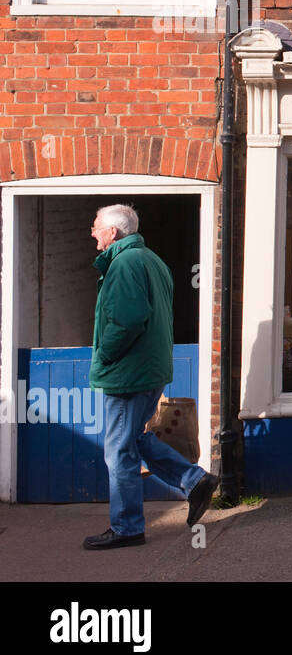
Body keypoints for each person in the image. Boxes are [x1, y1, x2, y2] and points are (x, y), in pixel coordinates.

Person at [83, 204, 218, 551]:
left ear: (112, 232)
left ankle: (127, 527)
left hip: (129, 373)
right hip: (149, 368)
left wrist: (106, 356)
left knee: (118, 450)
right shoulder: (150, 260)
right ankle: (194, 479)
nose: (93, 233)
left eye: (97, 227)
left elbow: (128, 320)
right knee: (135, 440)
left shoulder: (125, 263)